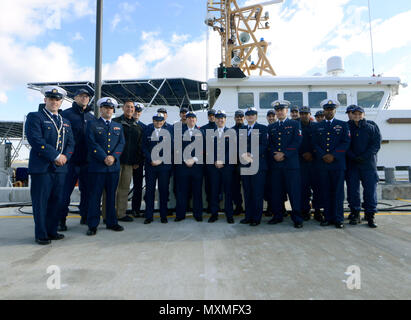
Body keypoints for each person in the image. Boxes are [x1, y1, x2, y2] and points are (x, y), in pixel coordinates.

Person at [25, 86, 75, 245]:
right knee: (41, 202)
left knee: (57, 201)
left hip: (60, 168)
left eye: (57, 99)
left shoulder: (65, 121)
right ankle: (41, 234)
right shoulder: (35, 117)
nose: (54, 102)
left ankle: (52, 230)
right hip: (42, 168)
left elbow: (71, 143)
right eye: (51, 99)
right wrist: (55, 155)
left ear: (61, 102)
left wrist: (65, 156)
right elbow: (36, 140)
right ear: (45, 100)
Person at [85, 97, 125, 236]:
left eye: (110, 108)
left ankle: (111, 222)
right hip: (98, 167)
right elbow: (91, 143)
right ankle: (92, 224)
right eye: (106, 108)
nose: (108, 110)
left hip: (113, 167)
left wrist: (114, 156)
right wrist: (104, 157)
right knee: (95, 196)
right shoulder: (92, 124)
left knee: (111, 197)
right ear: (100, 109)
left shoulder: (118, 126)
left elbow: (121, 144)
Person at [59, 89, 95, 231]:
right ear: (75, 98)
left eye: (87, 96)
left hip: (86, 162)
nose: (84, 98)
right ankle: (61, 220)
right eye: (81, 96)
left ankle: (85, 216)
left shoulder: (91, 117)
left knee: (87, 192)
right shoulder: (66, 115)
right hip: (70, 162)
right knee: (64, 193)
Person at [312, 99, 351, 229]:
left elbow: (346, 142)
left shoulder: (343, 125)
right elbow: (315, 144)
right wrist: (324, 155)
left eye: (331, 109)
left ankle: (339, 219)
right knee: (326, 191)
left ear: (335, 110)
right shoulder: (317, 126)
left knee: (338, 192)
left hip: (337, 164)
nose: (329, 111)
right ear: (324, 111)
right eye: (327, 109)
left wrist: (333, 155)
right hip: (323, 163)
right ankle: (328, 217)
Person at [267, 100, 303, 228]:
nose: (279, 112)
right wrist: (274, 154)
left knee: (294, 192)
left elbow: (297, 141)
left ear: (286, 111)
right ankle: (278, 216)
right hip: (276, 165)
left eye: (282, 110)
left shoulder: (294, 124)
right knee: (277, 192)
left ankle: (297, 218)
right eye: (277, 110)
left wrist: (284, 154)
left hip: (291, 165)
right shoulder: (271, 127)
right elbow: (269, 144)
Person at [346, 106, 381, 228]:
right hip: (353, 164)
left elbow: (376, 144)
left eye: (359, 114)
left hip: (368, 164)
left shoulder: (371, 127)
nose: (357, 116)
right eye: (354, 114)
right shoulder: (347, 127)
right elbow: (345, 144)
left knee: (370, 190)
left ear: (363, 114)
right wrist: (353, 156)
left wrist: (364, 156)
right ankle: (355, 213)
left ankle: (370, 215)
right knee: (353, 190)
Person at [112, 99, 143, 222]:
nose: (130, 109)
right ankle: (109, 213)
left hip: (129, 163)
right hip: (116, 161)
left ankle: (121, 213)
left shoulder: (137, 126)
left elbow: (139, 146)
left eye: (132, 107)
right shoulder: (116, 122)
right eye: (127, 107)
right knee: (112, 188)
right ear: (123, 108)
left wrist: (137, 161)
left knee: (124, 188)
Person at [204, 110, 235, 224]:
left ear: (225, 119)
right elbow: (208, 149)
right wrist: (215, 161)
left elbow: (232, 149)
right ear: (215, 120)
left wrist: (223, 161)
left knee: (228, 191)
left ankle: (229, 214)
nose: (220, 120)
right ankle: (214, 214)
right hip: (214, 167)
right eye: (218, 118)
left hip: (227, 167)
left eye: (222, 118)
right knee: (214, 191)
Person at [239, 107, 268, 226]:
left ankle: (256, 218)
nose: (250, 116)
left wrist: (251, 153)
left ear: (256, 116)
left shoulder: (263, 128)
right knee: (247, 192)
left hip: (258, 165)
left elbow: (264, 145)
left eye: (252, 114)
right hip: (245, 164)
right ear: (245, 117)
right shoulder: (242, 129)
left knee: (257, 192)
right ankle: (248, 216)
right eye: (248, 115)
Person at [143, 113, 174, 224]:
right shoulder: (147, 131)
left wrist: (160, 159)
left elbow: (171, 147)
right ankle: (149, 216)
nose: (158, 122)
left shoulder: (169, 132)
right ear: (153, 121)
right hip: (150, 166)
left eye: (160, 121)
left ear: (163, 121)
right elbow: (144, 147)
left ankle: (163, 215)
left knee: (163, 191)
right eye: (156, 120)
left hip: (164, 166)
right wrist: (151, 159)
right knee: (150, 191)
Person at [174, 111, 204, 222]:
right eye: (189, 118)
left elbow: (204, 148)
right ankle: (180, 214)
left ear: (196, 120)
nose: (191, 120)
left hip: (197, 167)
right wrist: (185, 159)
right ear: (186, 119)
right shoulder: (179, 132)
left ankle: (198, 214)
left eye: (193, 118)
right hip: (183, 166)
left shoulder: (201, 132)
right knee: (182, 191)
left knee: (197, 191)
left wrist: (194, 159)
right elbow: (176, 148)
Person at [298, 106, 323, 221]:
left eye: (305, 113)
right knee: (304, 189)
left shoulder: (316, 126)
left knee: (318, 188)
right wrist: (303, 153)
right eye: (301, 113)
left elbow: (319, 142)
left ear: (309, 114)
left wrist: (313, 154)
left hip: (315, 162)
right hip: (301, 162)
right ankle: (305, 211)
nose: (303, 115)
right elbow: (294, 142)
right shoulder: (296, 125)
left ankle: (318, 211)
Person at [130, 103, 146, 217]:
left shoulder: (143, 127)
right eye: (135, 111)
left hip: (138, 163)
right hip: (125, 161)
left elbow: (143, 146)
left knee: (138, 187)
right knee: (121, 187)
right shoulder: (125, 124)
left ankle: (136, 209)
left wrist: (138, 161)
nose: (137, 113)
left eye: (139, 112)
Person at [201, 109, 218, 212]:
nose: (212, 117)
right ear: (208, 117)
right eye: (210, 115)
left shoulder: (222, 129)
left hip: (220, 162)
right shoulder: (203, 129)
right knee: (208, 186)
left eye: (214, 115)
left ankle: (217, 205)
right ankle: (210, 205)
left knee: (218, 186)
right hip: (207, 162)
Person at [231, 110, 245, 215]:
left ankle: (249, 207)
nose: (239, 118)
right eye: (237, 117)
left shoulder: (248, 129)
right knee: (234, 187)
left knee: (248, 187)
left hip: (246, 163)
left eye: (241, 117)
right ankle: (238, 206)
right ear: (234, 118)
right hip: (234, 163)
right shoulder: (230, 131)